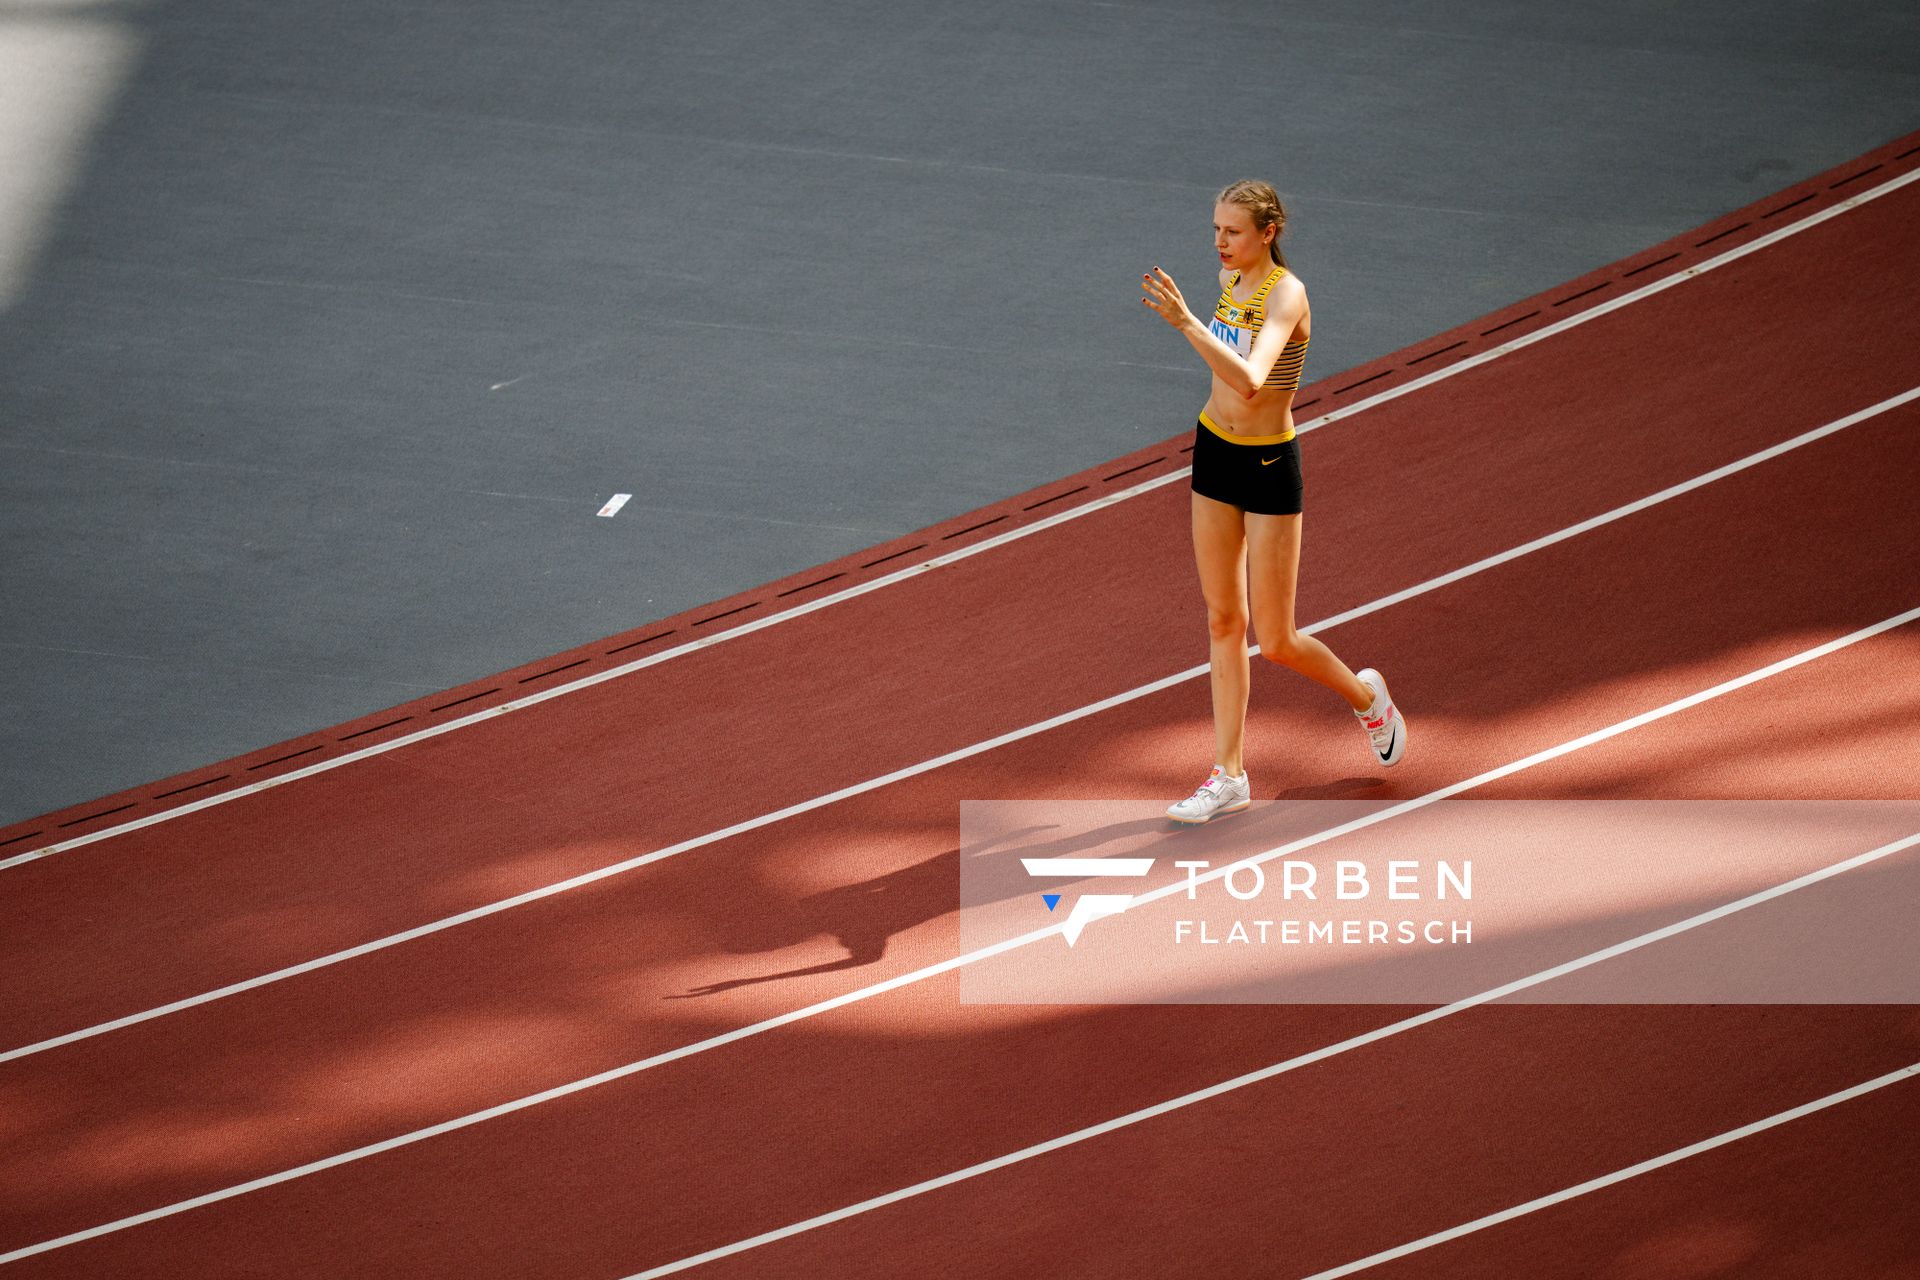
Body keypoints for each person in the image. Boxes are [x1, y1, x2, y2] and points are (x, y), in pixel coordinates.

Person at [1140, 179, 1407, 824]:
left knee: (1277, 638)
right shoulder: (1230, 284)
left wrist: (1185, 324)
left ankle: (1366, 697)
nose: (1220, 243)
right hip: (1214, 450)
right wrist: (1198, 322)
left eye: (1232, 232)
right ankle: (1228, 774)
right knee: (1223, 622)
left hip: (1266, 464)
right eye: (1215, 230)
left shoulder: (1285, 294)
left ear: (1268, 232)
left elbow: (1255, 382)